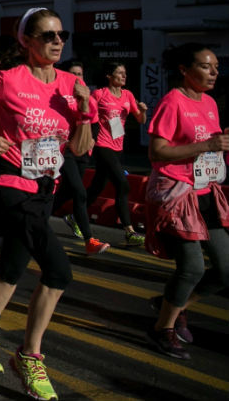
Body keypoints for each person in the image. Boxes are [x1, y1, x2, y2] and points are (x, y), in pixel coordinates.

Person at [0, 8, 92, 401]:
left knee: (11, 269)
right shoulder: (9, 80)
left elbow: (80, 149)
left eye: (61, 34)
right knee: (59, 272)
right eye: (47, 35)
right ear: (26, 42)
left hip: (46, 187)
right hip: (11, 183)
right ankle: (29, 356)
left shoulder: (70, 84)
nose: (57, 41)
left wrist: (83, 111)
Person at [143, 43, 227, 360]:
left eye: (215, 66)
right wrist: (207, 143)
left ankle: (175, 305)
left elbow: (208, 147)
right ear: (184, 70)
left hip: (206, 192)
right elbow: (157, 153)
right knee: (191, 268)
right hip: (176, 194)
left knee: (227, 270)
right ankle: (162, 328)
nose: (214, 72)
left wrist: (219, 145)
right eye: (206, 66)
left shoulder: (209, 103)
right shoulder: (172, 102)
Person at [51, 61, 109, 255]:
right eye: (73, 74)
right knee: (79, 191)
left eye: (80, 74)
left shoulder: (88, 97)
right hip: (63, 149)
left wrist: (92, 139)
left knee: (66, 192)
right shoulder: (57, 96)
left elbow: (94, 123)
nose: (77, 78)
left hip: (82, 151)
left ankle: (36, 215)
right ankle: (89, 240)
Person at [86, 62, 147, 246]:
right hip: (101, 144)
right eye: (119, 73)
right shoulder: (99, 94)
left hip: (117, 145)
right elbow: (86, 116)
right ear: (109, 76)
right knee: (122, 184)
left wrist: (142, 111)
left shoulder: (128, 95)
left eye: (125, 73)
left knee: (98, 186)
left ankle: (75, 215)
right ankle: (129, 231)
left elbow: (140, 120)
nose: (123, 76)